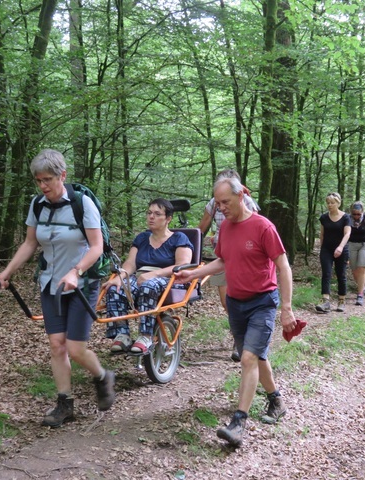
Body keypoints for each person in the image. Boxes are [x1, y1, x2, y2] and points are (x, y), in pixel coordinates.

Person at [0, 149, 115, 428]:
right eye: (38, 180)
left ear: (63, 175)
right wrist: (7, 272)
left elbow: (96, 247)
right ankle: (64, 403)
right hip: (51, 284)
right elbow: (30, 243)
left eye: (48, 179)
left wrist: (76, 271)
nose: (43, 185)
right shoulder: (38, 205)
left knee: (75, 348)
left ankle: (102, 376)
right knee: (56, 345)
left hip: (82, 284)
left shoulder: (82, 205)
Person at [175, 176, 297, 448]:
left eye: (225, 202)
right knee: (253, 357)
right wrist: (193, 274)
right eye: (217, 204)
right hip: (236, 303)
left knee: (248, 358)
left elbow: (284, 266)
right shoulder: (225, 229)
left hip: (262, 302)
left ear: (241, 196)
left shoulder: (263, 227)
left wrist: (286, 308)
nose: (220, 208)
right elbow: (221, 261)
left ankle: (238, 423)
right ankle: (276, 400)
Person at [104, 199, 193, 354]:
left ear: (168, 219)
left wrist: (154, 274)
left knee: (148, 285)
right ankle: (122, 334)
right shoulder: (142, 238)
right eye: (149, 213)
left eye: (157, 214)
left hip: (170, 279)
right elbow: (130, 264)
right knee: (114, 288)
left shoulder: (179, 238)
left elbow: (182, 265)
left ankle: (146, 335)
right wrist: (120, 277)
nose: (151, 217)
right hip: (140, 276)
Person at [198, 168, 260, 361]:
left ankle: (241, 340)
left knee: (241, 300)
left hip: (243, 257)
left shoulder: (247, 201)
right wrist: (191, 246)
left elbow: (256, 225)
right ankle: (239, 334)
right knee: (227, 302)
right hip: (221, 255)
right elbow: (202, 226)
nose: (222, 204)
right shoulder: (213, 204)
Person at [315, 192, 350, 313]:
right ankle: (325, 300)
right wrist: (321, 246)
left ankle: (341, 300)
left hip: (341, 249)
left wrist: (340, 247)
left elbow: (347, 234)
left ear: (338, 203)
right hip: (327, 249)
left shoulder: (346, 217)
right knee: (326, 273)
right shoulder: (324, 217)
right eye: (328, 203)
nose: (330, 205)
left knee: (341, 274)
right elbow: (322, 233)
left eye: (332, 203)